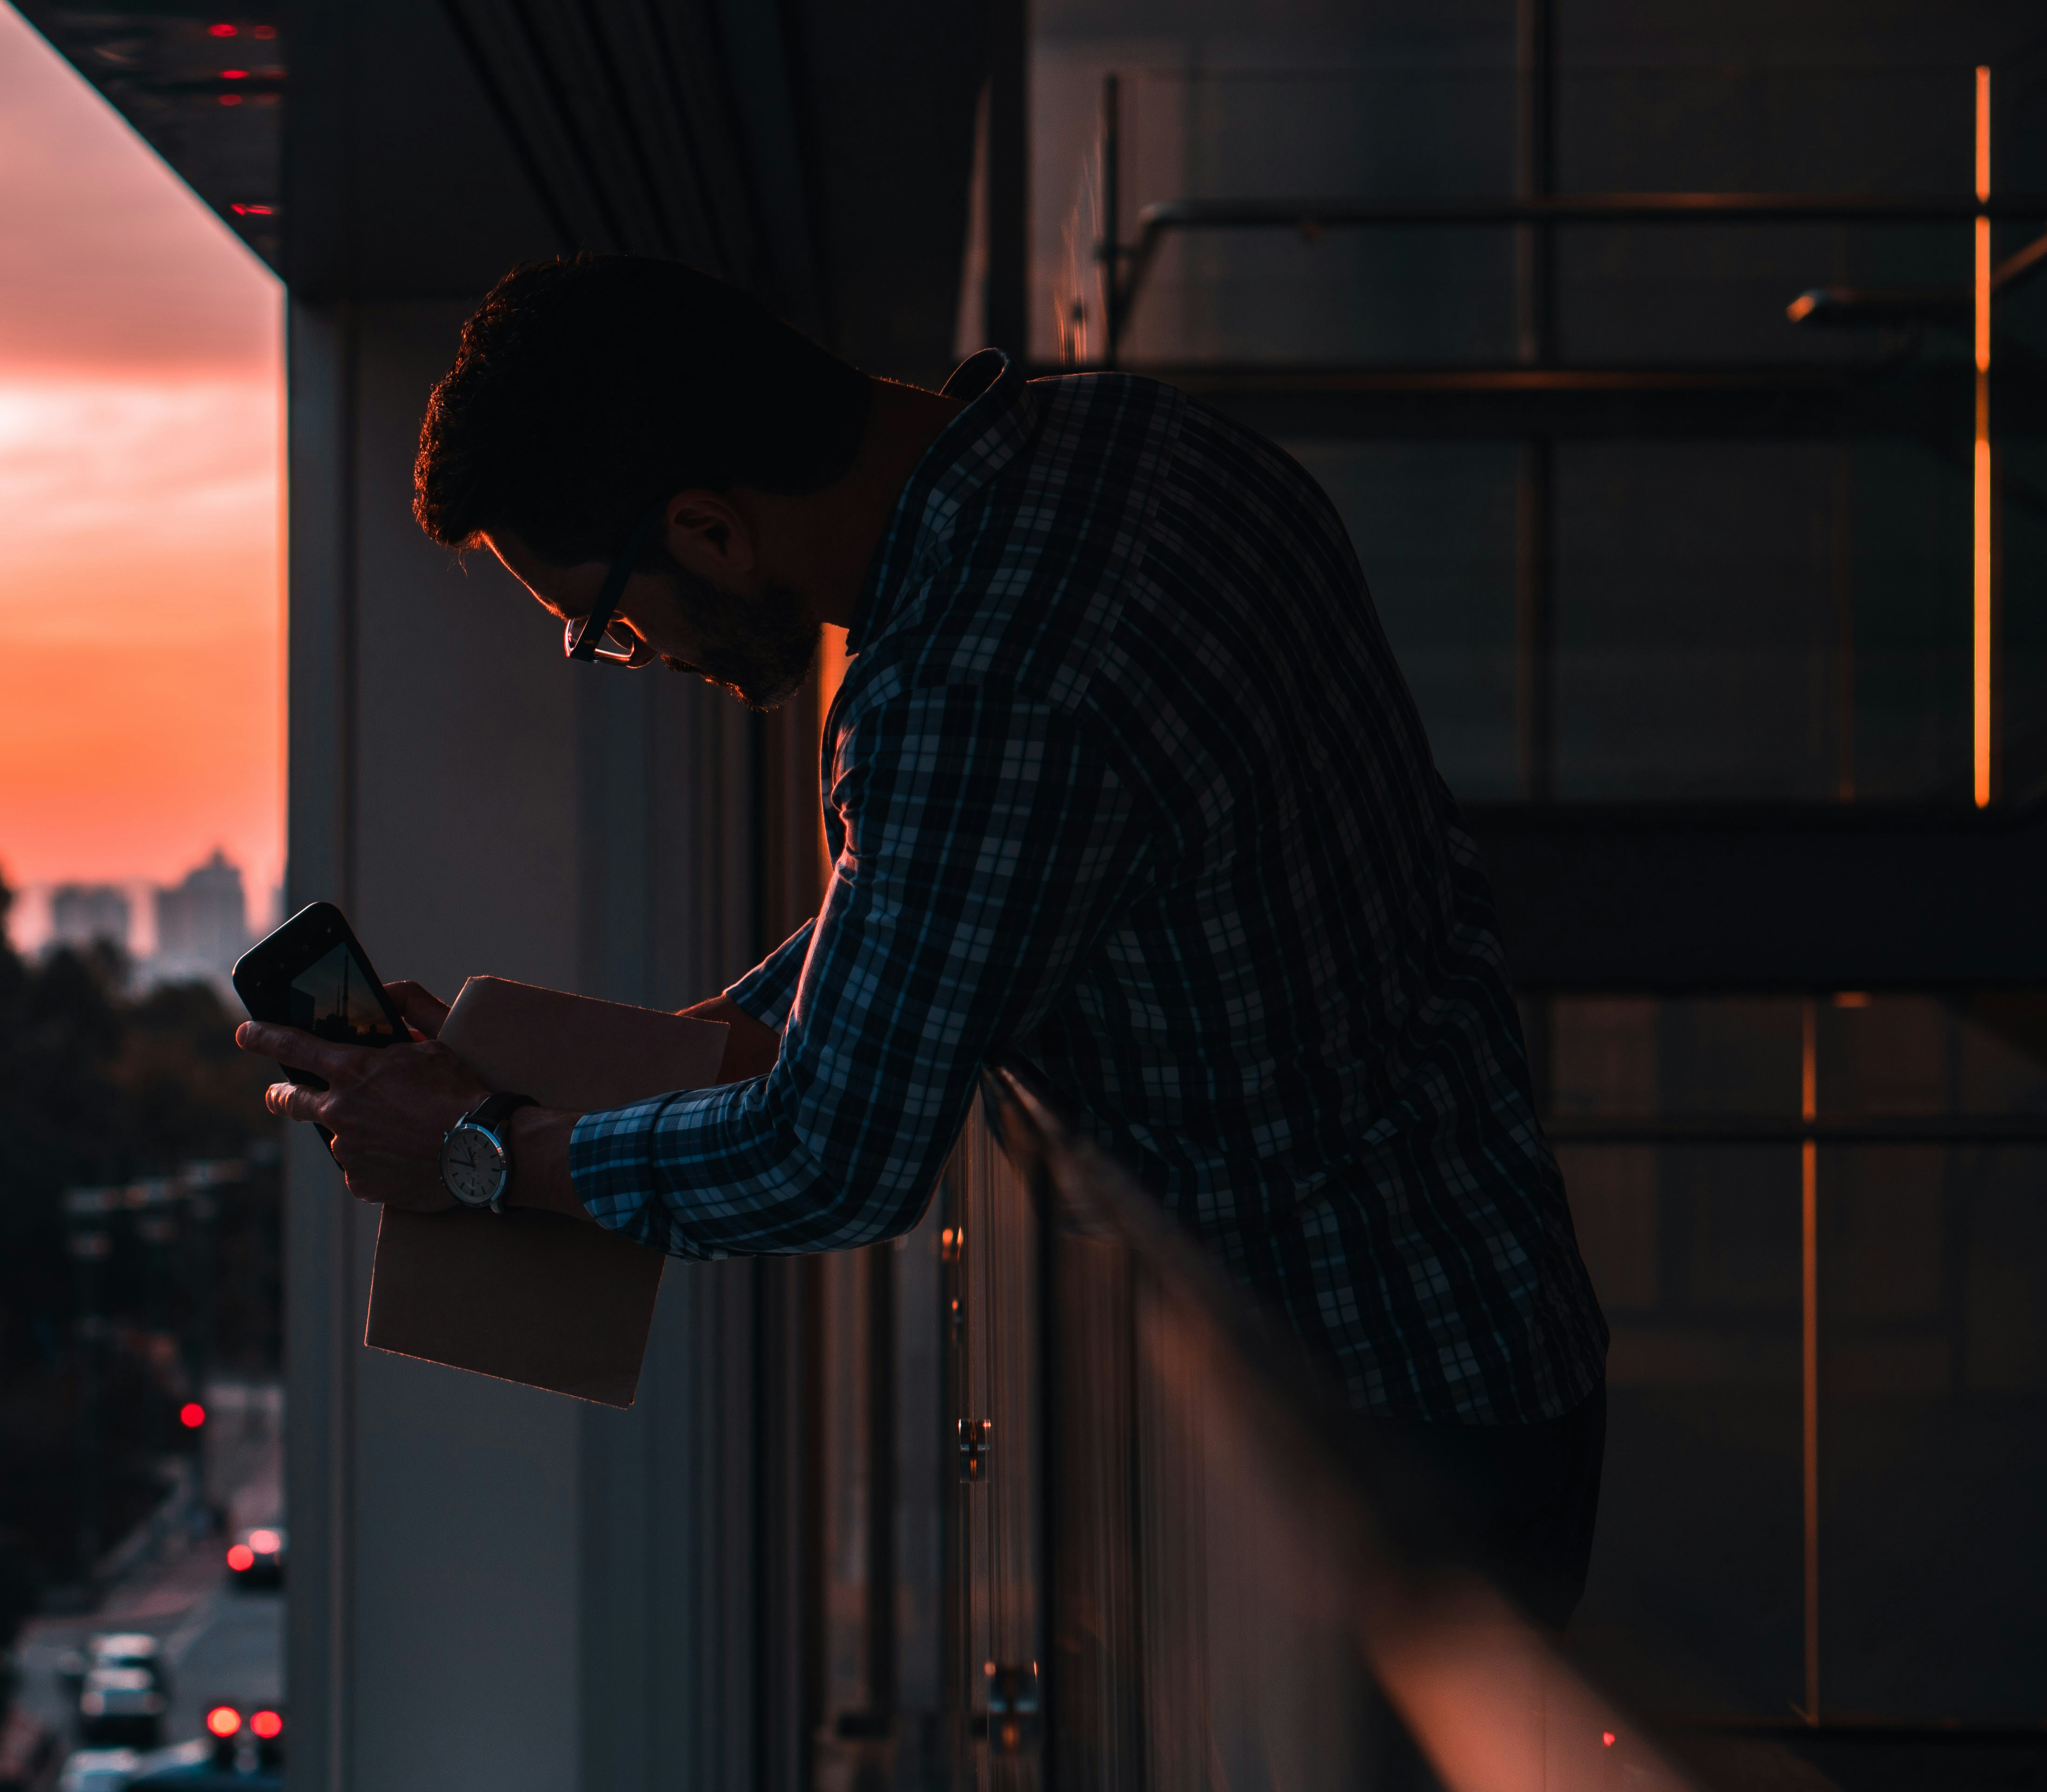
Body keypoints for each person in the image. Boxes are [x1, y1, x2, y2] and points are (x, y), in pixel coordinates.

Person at [235, 254, 1609, 1624]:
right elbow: (936, 922)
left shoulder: (967, 680)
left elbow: (834, 1154)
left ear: (711, 532)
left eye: (604, 626)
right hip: (1468, 1310)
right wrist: (507, 1078)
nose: (638, 653)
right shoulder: (1129, 438)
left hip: (1368, 1418)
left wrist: (480, 1158)